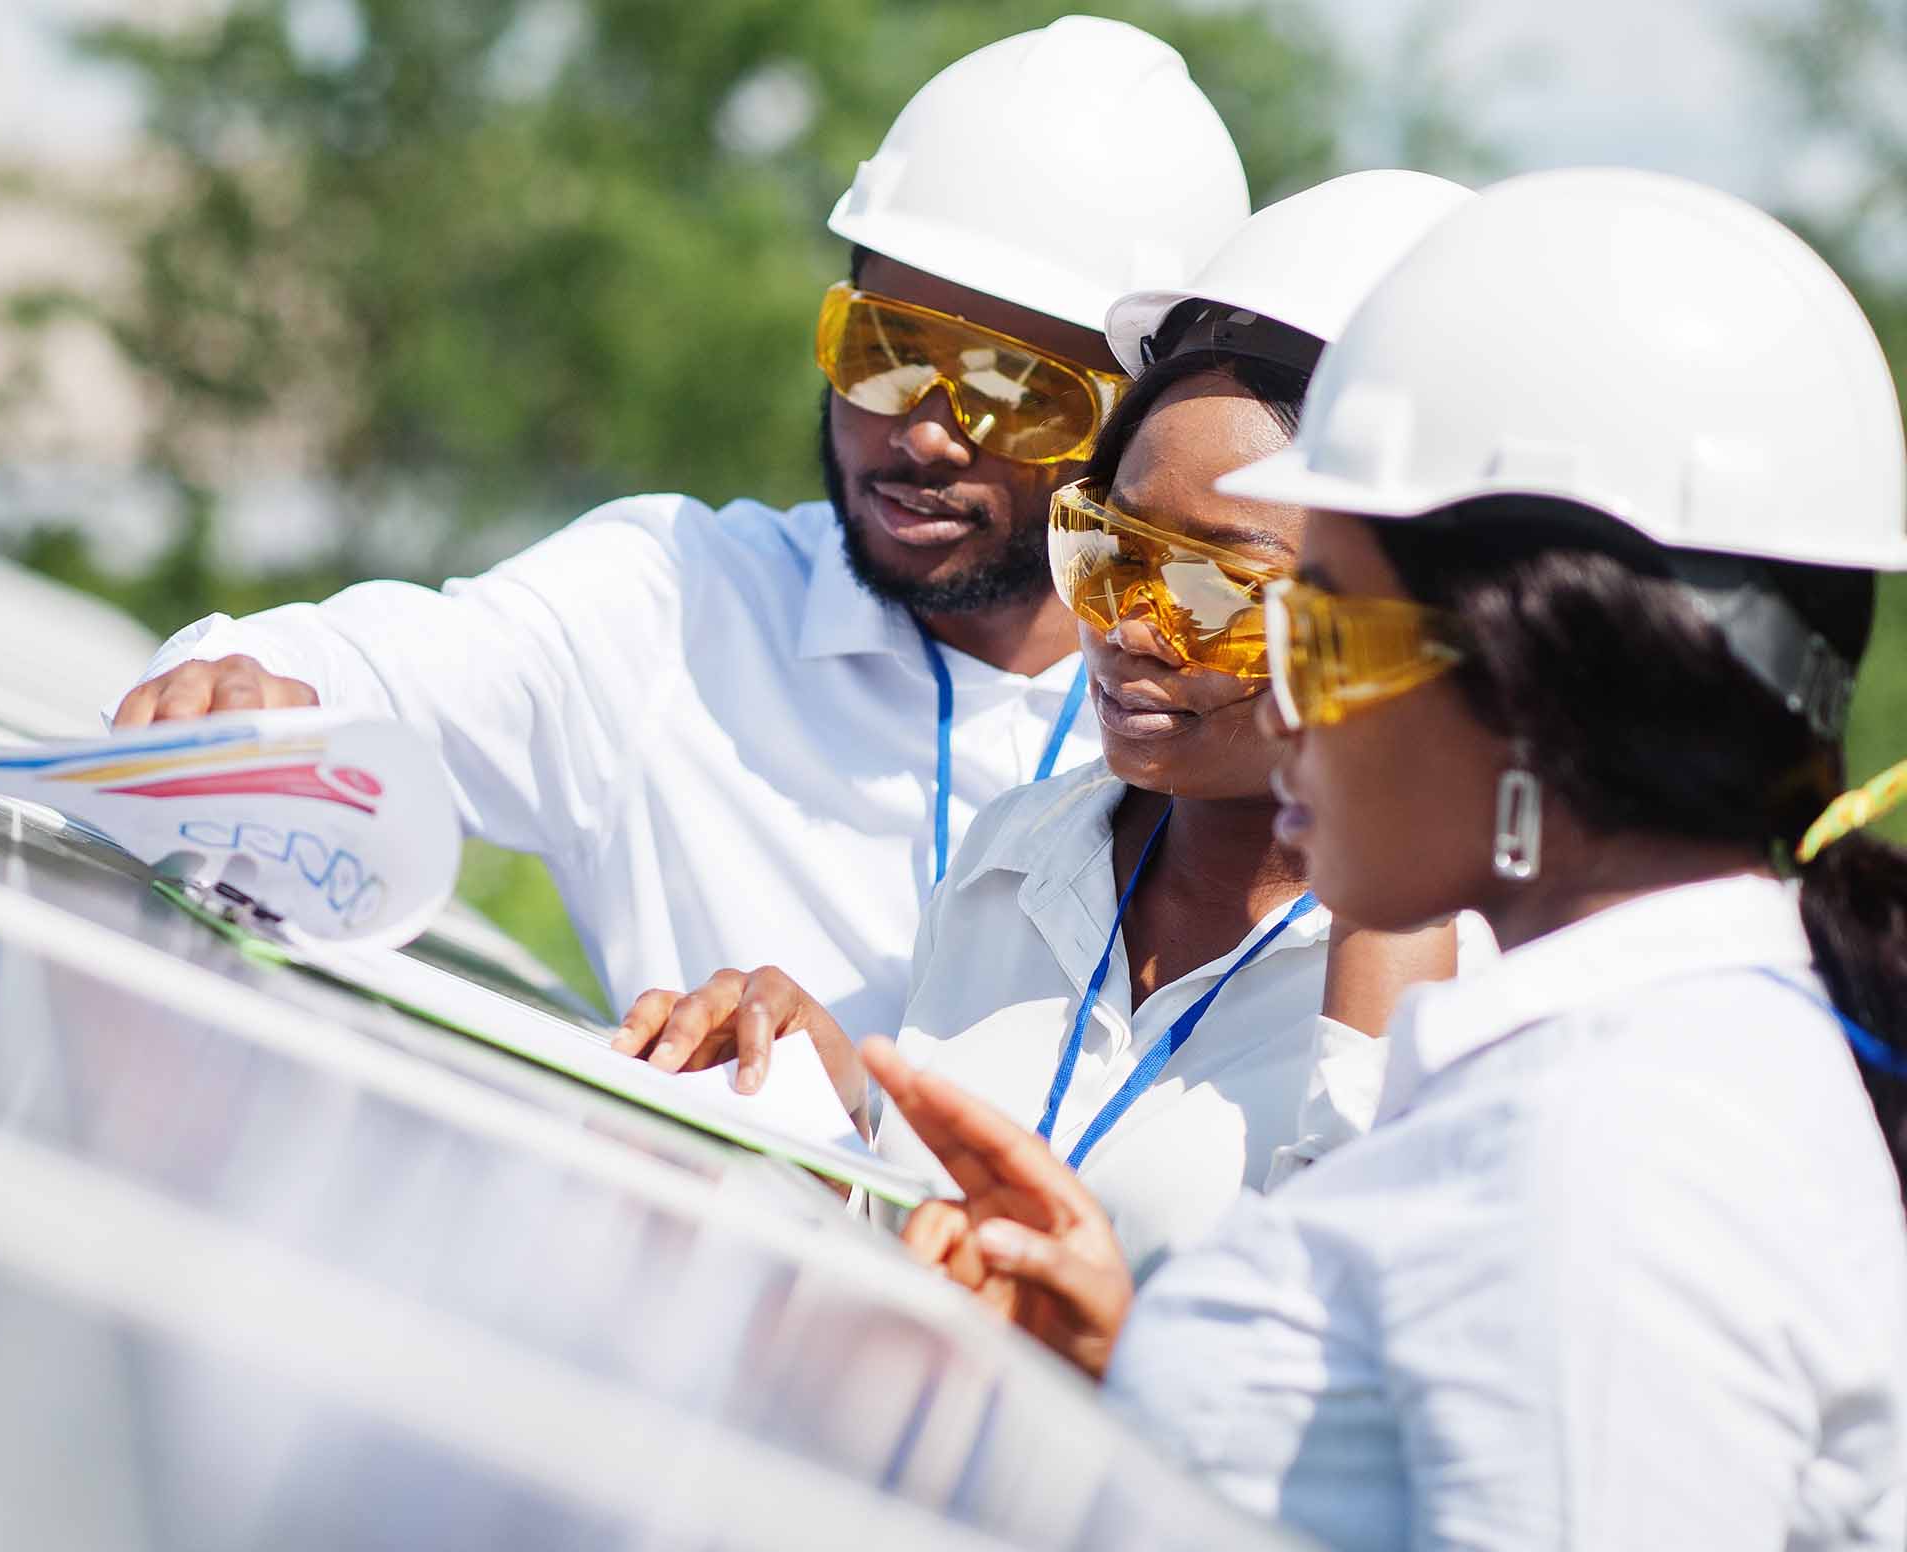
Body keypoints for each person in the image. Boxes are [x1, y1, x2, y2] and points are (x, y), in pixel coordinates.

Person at [877, 168, 1907, 1552]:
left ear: (1536, 675)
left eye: (1320, 627)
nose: (1281, 699)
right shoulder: (1609, 1077)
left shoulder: (1623, 1153)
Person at [108, 17, 1250, 1041]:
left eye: (1016, 390)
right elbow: (350, 672)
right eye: (886, 350)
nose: (928, 433)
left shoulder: (1219, 726)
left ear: (1134, 422)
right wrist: (235, 688)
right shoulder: (677, 608)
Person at [613, 172, 1475, 1280]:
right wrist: (829, 1135)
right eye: (1111, 551)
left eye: (1216, 593)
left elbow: (1344, 1367)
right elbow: (925, 1265)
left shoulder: (1464, 985)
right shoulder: (1015, 859)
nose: (1128, 625)